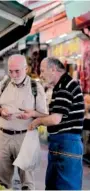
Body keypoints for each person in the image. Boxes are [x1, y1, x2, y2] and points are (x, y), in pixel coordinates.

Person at [0, 54, 48, 190]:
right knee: (3, 181)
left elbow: (44, 115)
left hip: (25, 137)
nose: (14, 75)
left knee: (27, 182)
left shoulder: (36, 87)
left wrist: (32, 113)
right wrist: (1, 112)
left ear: (26, 69)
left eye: (17, 71)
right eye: (10, 71)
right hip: (3, 137)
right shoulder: (3, 84)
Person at [28, 57, 85, 190]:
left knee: (65, 187)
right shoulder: (60, 86)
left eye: (42, 71)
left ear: (53, 69)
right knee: (53, 186)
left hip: (67, 144)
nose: (40, 75)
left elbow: (54, 119)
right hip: (60, 144)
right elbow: (54, 115)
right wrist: (33, 114)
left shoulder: (65, 86)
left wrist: (37, 121)